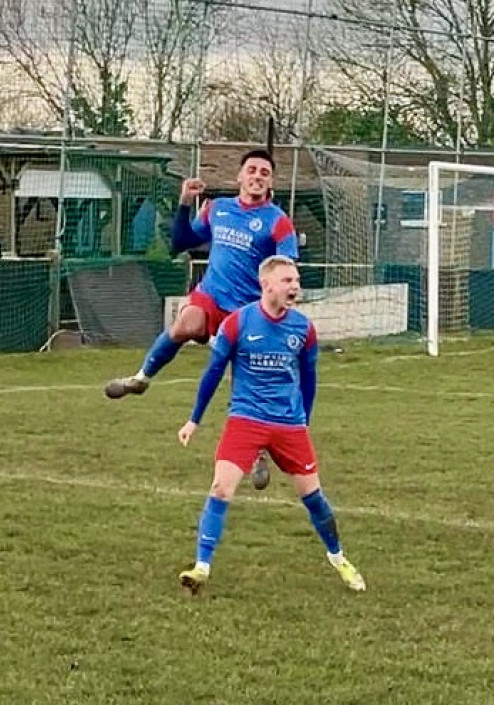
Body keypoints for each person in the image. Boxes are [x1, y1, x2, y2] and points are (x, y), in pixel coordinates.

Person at [176, 255, 365, 594]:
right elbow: (213, 373)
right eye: (287, 281)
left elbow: (309, 379)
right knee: (220, 488)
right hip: (245, 419)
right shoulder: (237, 323)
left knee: (313, 498)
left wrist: (303, 420)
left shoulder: (303, 329)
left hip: (289, 425)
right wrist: (194, 420)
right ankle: (201, 567)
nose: (295, 286)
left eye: (296, 280)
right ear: (266, 285)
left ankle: (339, 558)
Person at [105, 150, 298, 400]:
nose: (257, 176)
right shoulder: (217, 209)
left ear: (271, 182)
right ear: (239, 176)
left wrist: (279, 297)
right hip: (212, 295)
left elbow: (287, 265)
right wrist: (184, 203)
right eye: (251, 170)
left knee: (254, 367)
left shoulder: (278, 221)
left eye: (265, 173)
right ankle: (141, 379)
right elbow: (181, 241)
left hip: (249, 306)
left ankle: (259, 410)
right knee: (186, 325)